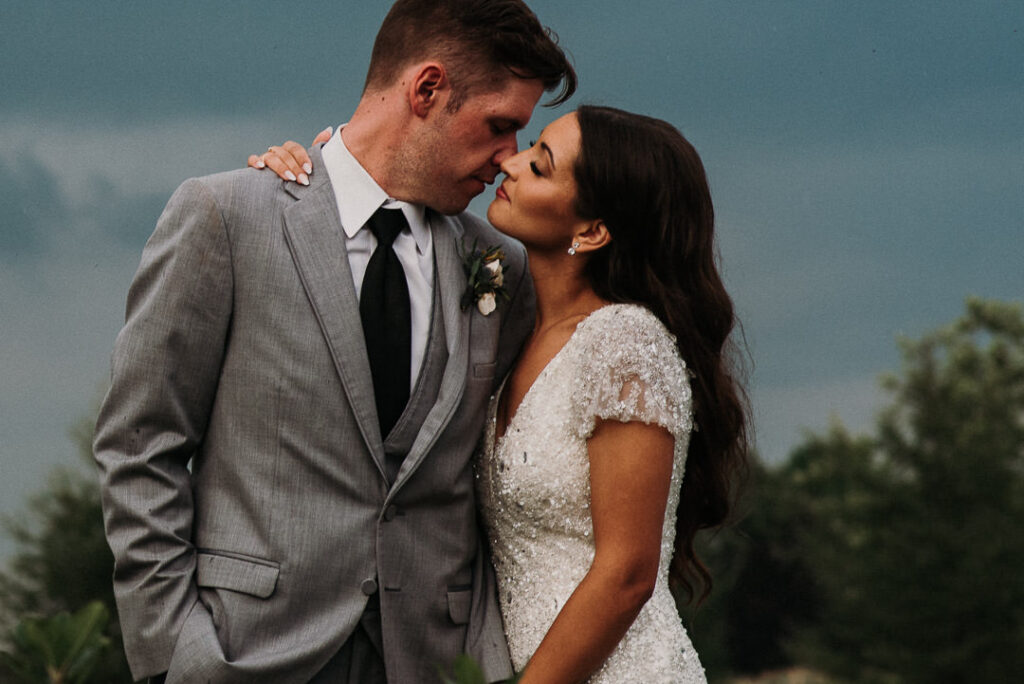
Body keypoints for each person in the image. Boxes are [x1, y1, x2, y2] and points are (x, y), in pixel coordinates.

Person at [92, 1, 576, 682]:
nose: (509, 159)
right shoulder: (228, 219)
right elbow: (141, 445)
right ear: (427, 89)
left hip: (433, 661)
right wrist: (175, 652)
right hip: (249, 654)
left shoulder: (503, 265)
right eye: (501, 127)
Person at [259, 105, 750, 682]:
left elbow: (628, 572)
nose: (509, 164)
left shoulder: (622, 343)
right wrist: (327, 177)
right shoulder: (512, 319)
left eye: (540, 166)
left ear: (591, 231)